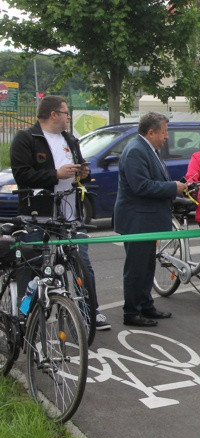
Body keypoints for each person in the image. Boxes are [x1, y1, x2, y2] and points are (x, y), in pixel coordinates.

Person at [9, 95, 110, 331]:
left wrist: (83, 173)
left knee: (82, 265)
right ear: (54, 114)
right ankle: (25, 316)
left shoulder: (70, 139)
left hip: (70, 216)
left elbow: (80, 168)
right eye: (66, 113)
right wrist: (55, 174)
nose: (68, 118)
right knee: (32, 267)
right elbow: (22, 175)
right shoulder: (27, 139)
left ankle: (90, 312)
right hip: (38, 215)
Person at [115, 113, 188, 327]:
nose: (166, 137)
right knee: (136, 268)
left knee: (147, 266)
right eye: (164, 132)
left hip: (148, 220)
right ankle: (131, 312)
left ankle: (146, 305)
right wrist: (172, 187)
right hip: (137, 220)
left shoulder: (148, 149)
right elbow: (141, 186)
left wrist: (174, 189)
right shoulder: (136, 151)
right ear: (151, 132)